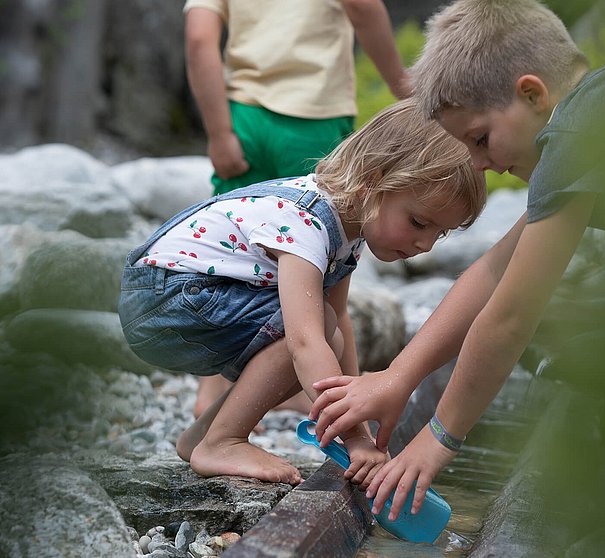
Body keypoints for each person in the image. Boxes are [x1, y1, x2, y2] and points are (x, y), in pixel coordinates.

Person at [309, 0, 605, 519]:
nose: (485, 165)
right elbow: (491, 271)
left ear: (532, 94)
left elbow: (508, 318)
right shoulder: (598, 120)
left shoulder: (570, 137)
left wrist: (440, 436)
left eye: (481, 139)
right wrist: (398, 377)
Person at [117, 99, 487, 484]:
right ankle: (224, 441)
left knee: (331, 333)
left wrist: (358, 412)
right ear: (373, 183)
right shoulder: (306, 222)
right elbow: (306, 343)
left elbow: (339, 323)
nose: (425, 245)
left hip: (183, 301)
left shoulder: (349, 230)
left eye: (438, 234)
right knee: (312, 332)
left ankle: (203, 437)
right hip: (164, 300)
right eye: (418, 222)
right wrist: (355, 437)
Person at [184, 0, 411, 418]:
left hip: (243, 117)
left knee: (229, 263)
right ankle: (320, 393)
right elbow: (363, 7)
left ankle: (212, 397)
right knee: (320, 277)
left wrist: (218, 132)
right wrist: (407, 92)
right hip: (312, 115)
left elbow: (200, 38)